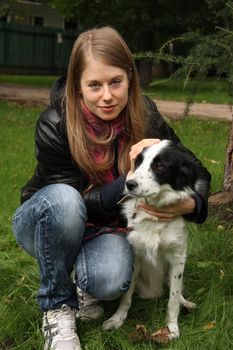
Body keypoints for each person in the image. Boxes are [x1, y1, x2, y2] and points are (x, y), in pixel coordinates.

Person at [12, 26, 211, 350]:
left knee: (113, 279)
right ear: (78, 86)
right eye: (94, 85)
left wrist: (192, 205)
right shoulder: (55, 123)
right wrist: (131, 177)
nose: (107, 95)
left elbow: (196, 169)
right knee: (65, 201)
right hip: (46, 221)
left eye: (115, 82)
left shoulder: (146, 116)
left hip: (105, 229)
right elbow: (75, 204)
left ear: (129, 78)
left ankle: (84, 283)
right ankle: (57, 307)